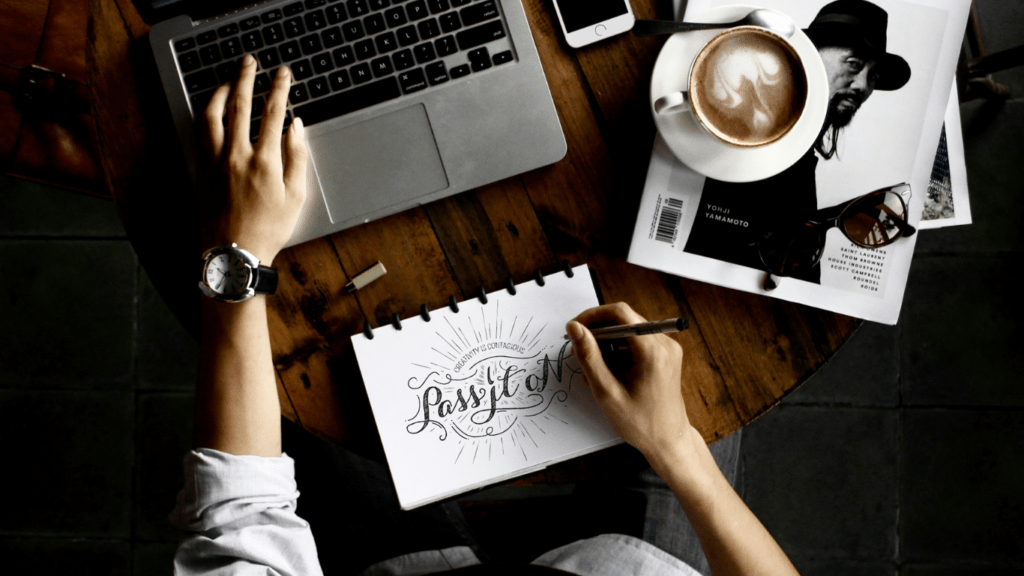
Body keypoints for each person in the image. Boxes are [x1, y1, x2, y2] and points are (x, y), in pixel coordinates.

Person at [170, 53, 801, 576]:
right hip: (630, 565)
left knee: (314, 379)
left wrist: (240, 255)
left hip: (407, 567)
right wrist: (676, 447)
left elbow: (240, 522)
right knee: (705, 308)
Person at [683, 0, 911, 284]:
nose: (864, 86)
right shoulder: (755, 137)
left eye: (874, 76)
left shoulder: (801, 156)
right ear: (809, 55)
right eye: (854, 64)